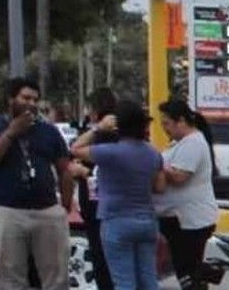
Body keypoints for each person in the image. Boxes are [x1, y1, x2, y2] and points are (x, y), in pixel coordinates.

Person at [0, 77, 74, 290]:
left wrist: (63, 208)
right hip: (9, 213)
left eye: (36, 99)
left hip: (47, 212)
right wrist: (11, 133)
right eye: (26, 97)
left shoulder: (48, 131)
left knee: (57, 278)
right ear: (11, 99)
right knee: (10, 279)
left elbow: (65, 169)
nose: (32, 103)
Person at [71, 100, 165, 290]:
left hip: (117, 220)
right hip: (147, 221)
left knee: (124, 281)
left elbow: (76, 148)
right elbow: (159, 187)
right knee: (148, 279)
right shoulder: (153, 153)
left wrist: (98, 128)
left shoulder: (110, 153)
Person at [155, 99, 219, 290]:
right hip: (177, 219)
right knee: (188, 271)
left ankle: (210, 272)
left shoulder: (193, 143)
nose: (164, 128)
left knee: (189, 274)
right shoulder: (181, 143)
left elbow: (180, 176)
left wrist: (157, 163)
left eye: (166, 123)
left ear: (181, 121)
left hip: (190, 221)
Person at [69, 87, 118, 290]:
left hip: (102, 207)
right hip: (99, 206)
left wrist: (82, 171)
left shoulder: (101, 136)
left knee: (104, 262)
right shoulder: (119, 136)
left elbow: (74, 149)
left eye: (89, 108)